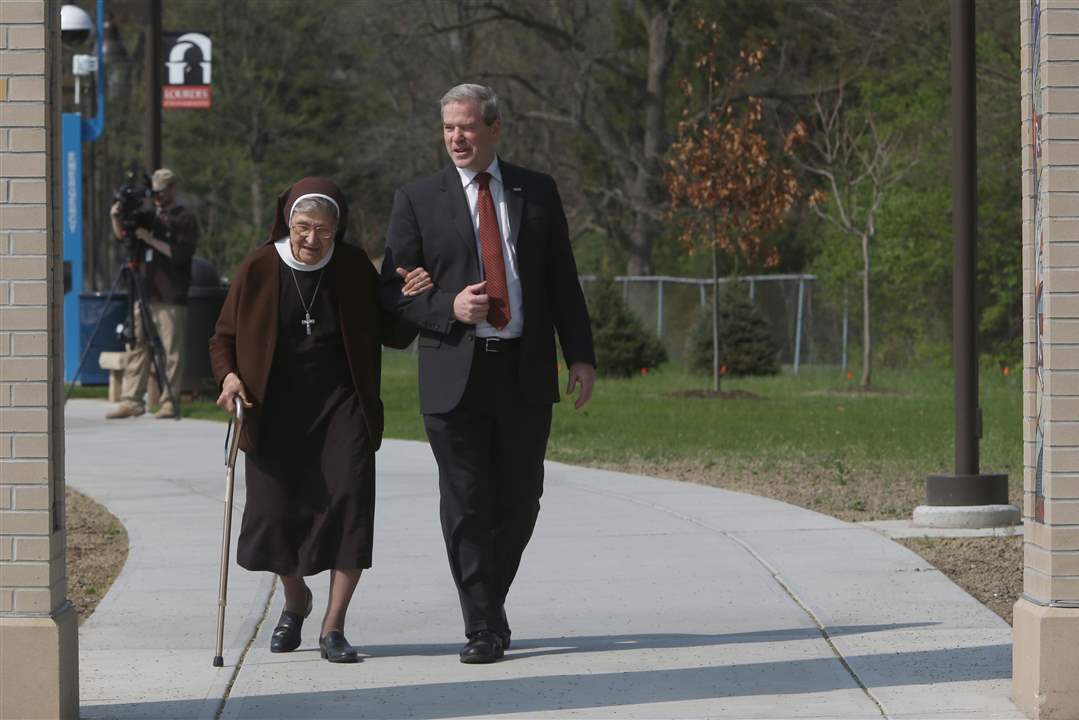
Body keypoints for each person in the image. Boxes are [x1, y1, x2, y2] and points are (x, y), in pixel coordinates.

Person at [380, 84, 596, 664]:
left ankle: (488, 602)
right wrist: (447, 306)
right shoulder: (417, 200)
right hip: (454, 375)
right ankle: (482, 622)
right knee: (468, 499)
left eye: (468, 127)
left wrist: (580, 354)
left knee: (521, 498)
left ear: (495, 129)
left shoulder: (538, 192)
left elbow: (561, 282)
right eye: (449, 128)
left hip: (523, 371)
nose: (457, 138)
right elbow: (393, 295)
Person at [208, 177, 430, 663]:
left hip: (341, 406)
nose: (312, 239)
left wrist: (412, 299)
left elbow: (391, 335)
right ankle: (295, 601)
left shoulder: (351, 267)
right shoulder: (259, 267)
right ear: (287, 223)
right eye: (303, 227)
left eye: (324, 231)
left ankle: (334, 627)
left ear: (339, 230)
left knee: (349, 505)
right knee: (273, 514)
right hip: (274, 408)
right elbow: (221, 339)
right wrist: (228, 378)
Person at [105, 168, 199, 420]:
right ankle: (132, 401)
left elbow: (181, 254)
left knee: (171, 352)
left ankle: (169, 402)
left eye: (161, 192)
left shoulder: (184, 218)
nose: (157, 197)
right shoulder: (147, 217)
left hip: (170, 295)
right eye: (154, 193)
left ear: (172, 189)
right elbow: (123, 236)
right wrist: (116, 217)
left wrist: (150, 239)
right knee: (137, 347)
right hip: (143, 292)